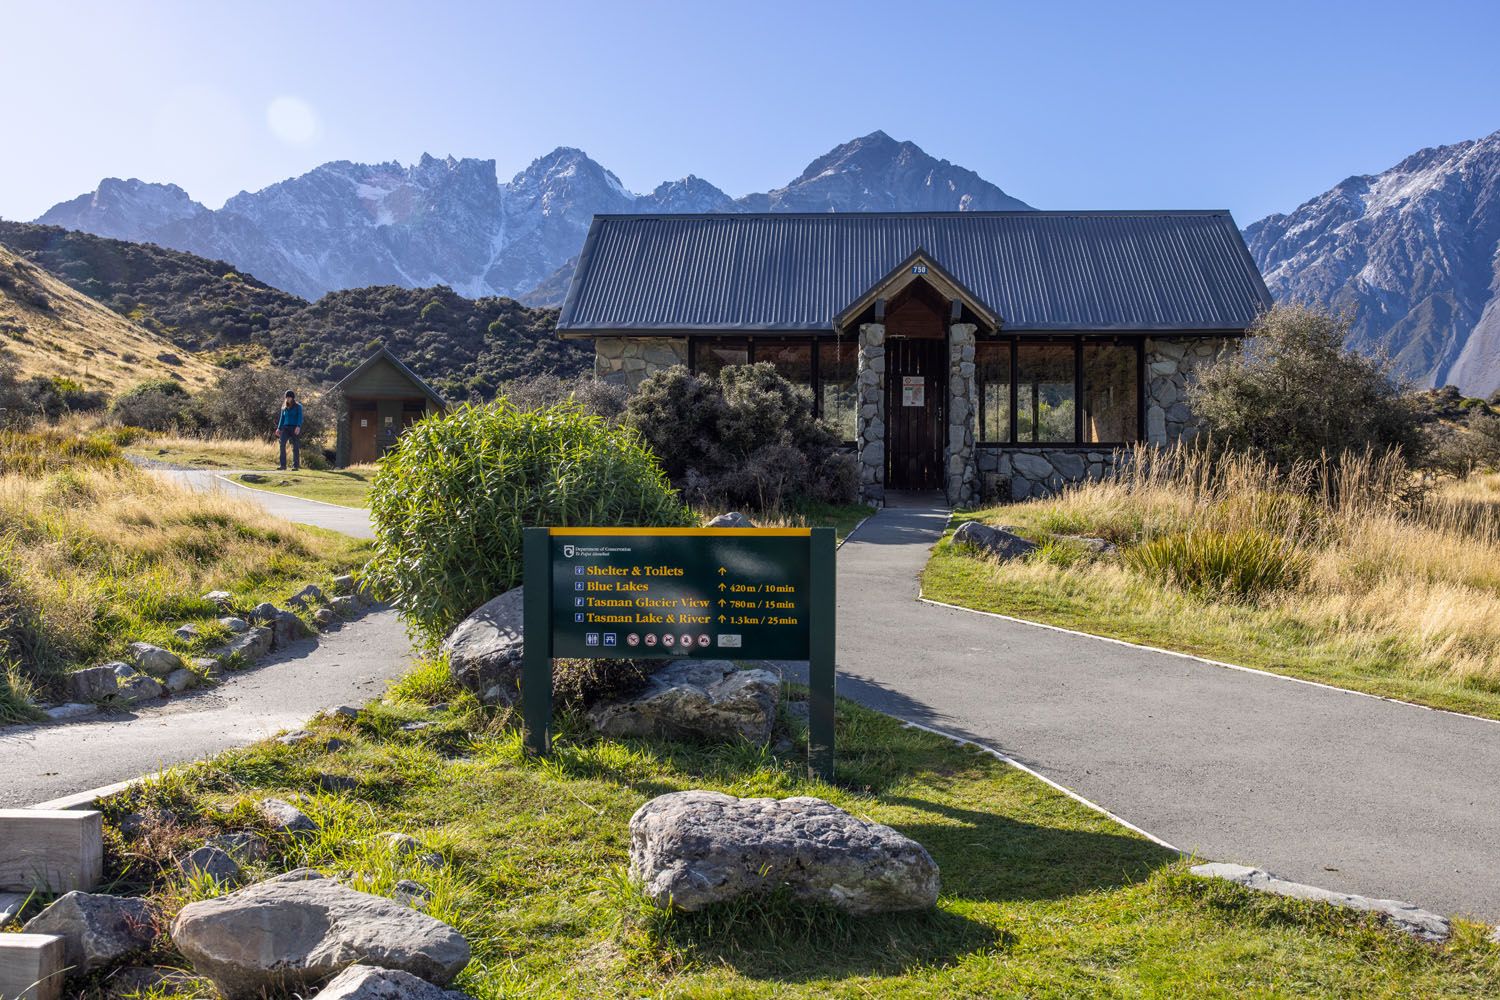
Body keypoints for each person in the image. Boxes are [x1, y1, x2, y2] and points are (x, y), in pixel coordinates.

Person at [276, 389, 304, 470]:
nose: (288, 399)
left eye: (289, 397)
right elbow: (282, 418)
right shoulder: (284, 407)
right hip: (285, 428)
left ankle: (295, 466)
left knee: (295, 447)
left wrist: (298, 426)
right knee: (282, 445)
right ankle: (283, 465)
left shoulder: (298, 407)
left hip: (294, 428)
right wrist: (278, 428)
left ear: (292, 398)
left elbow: (300, 417)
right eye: (287, 397)